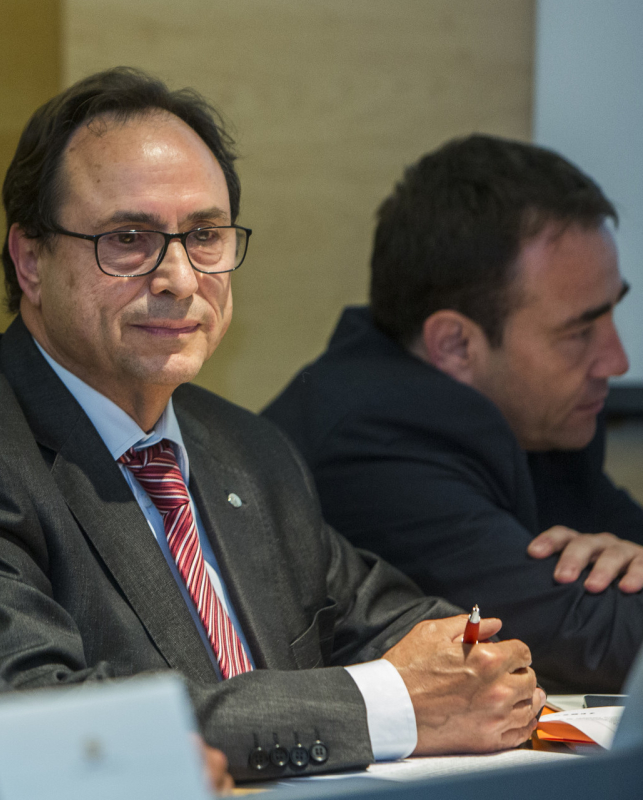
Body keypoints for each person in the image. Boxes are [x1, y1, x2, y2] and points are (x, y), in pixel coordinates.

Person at [0, 69, 546, 783]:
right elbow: (43, 720)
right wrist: (385, 703)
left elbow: (403, 626)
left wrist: (478, 669)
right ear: (30, 260)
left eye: (205, 235)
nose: (180, 278)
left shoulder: (245, 447)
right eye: (129, 238)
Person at [263, 134, 643, 693]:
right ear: (456, 346)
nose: (616, 360)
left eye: (612, 314)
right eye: (579, 331)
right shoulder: (372, 441)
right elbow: (592, 644)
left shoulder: (544, 417)